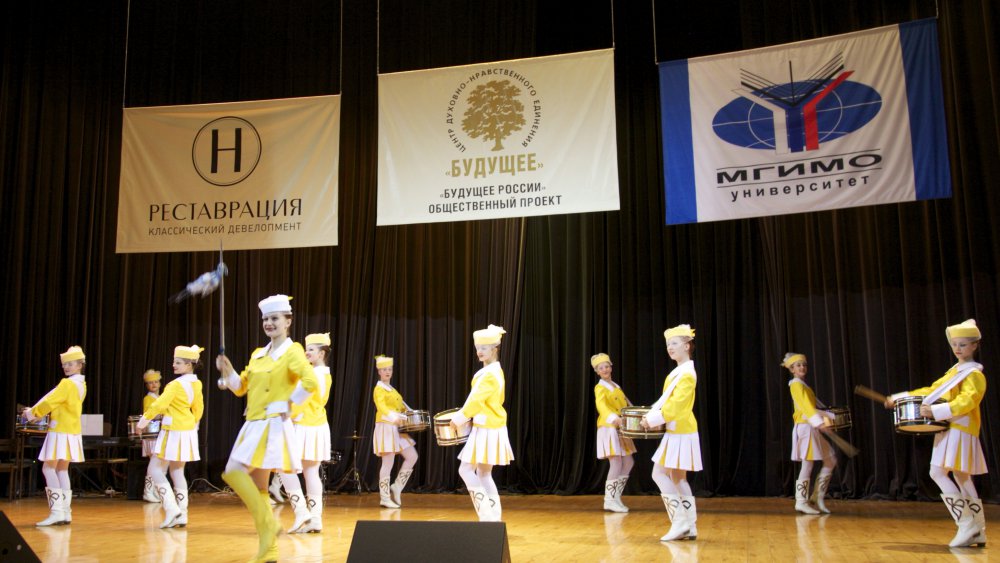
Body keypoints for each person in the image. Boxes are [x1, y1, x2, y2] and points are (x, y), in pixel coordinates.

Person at [216, 294, 319, 563]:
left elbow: (310, 382)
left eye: (274, 318)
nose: (269, 323)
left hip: (271, 424)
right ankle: (269, 550)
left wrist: (288, 403)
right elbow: (241, 387)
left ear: (288, 321)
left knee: (233, 471)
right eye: (265, 319)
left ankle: (269, 523)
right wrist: (228, 371)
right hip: (253, 423)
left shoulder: (293, 351)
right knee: (259, 487)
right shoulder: (258, 354)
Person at [884, 319, 987, 547]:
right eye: (954, 344)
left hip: (960, 427)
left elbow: (968, 400)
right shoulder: (955, 371)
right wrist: (900, 398)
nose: (957, 348)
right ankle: (978, 530)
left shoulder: (974, 374)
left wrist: (936, 411)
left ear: (974, 346)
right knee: (962, 477)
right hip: (951, 426)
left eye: (963, 344)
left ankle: (966, 524)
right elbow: (931, 391)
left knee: (937, 472)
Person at [642, 324, 701, 542]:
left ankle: (679, 522)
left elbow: (677, 405)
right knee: (678, 477)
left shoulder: (687, 374)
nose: (670, 347)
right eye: (668, 344)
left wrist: (653, 419)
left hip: (680, 431)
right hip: (682, 429)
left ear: (687, 346)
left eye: (674, 343)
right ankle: (690, 526)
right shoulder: (681, 371)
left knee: (658, 474)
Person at [136, 345, 205, 528]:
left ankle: (171, 508)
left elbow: (158, 405)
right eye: (174, 361)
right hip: (187, 430)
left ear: (189, 365)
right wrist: (193, 423)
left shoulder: (174, 385)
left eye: (178, 362)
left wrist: (142, 423)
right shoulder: (196, 383)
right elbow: (199, 408)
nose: (174, 365)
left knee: (154, 469)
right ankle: (182, 514)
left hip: (172, 430)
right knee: (177, 471)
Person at [452, 324, 514, 521]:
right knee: (484, 473)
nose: (479, 351)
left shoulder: (489, 374)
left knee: (466, 470)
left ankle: (486, 514)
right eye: (478, 347)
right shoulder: (495, 371)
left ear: (494, 349)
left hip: (487, 427)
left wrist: (459, 418)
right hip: (492, 425)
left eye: (484, 348)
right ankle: (493, 517)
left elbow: (476, 400)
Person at [22, 346, 87, 527]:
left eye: (70, 364)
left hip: (60, 430)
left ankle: (57, 512)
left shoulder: (67, 384)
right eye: (65, 364)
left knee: (48, 469)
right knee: (62, 470)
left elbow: (50, 401)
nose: (66, 367)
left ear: (79, 365)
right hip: (72, 431)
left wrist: (31, 414)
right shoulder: (81, 384)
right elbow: (54, 399)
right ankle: (65, 512)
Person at [277, 332, 334, 532]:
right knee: (311, 472)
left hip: (303, 424)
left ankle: (301, 512)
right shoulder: (325, 374)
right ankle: (315, 518)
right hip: (318, 424)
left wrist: (286, 413)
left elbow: (301, 400)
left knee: (284, 468)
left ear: (321, 353)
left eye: (310, 350)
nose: (306, 353)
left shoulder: (312, 374)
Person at [783, 352, 837, 514]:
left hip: (811, 427)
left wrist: (829, 416)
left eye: (804, 365)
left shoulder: (803, 385)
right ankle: (801, 502)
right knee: (808, 464)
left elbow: (812, 407)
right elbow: (805, 408)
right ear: (792, 369)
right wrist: (820, 422)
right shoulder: (795, 384)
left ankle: (818, 496)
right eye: (798, 365)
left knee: (830, 460)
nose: (802, 367)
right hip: (806, 427)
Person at [371, 354, 419, 509]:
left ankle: (397, 486)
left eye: (389, 369)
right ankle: (384, 498)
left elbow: (402, 405)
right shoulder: (379, 389)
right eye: (384, 369)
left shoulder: (392, 389)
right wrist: (394, 417)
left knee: (412, 456)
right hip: (386, 426)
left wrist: (413, 415)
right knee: (388, 462)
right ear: (379, 371)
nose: (387, 372)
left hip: (397, 427)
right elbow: (381, 407)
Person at [591, 353, 636, 513]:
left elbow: (627, 403)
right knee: (616, 462)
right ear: (597, 371)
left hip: (621, 427)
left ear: (611, 367)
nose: (604, 369)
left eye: (606, 366)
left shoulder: (616, 386)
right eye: (600, 368)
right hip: (609, 426)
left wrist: (637, 414)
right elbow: (601, 405)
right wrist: (613, 417)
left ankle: (615, 496)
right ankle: (609, 500)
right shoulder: (600, 387)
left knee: (628, 462)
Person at [140, 369, 163, 503]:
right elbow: (149, 415)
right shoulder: (148, 398)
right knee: (155, 462)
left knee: (158, 464)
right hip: (152, 434)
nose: (153, 385)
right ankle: (148, 492)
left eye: (155, 382)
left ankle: (154, 491)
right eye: (150, 383)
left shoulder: (160, 398)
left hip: (159, 434)